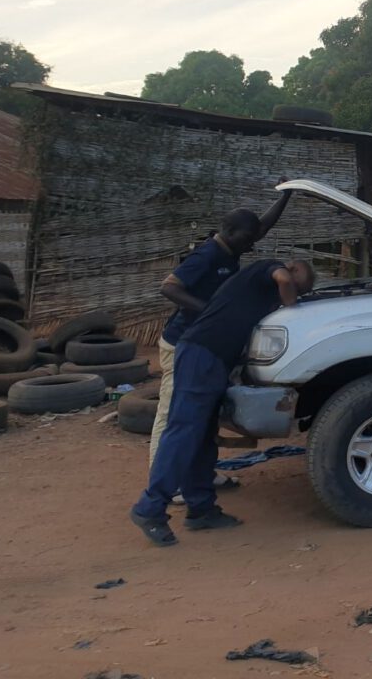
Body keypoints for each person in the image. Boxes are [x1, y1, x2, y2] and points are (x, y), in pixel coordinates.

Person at [131, 258, 315, 546]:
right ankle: (150, 508)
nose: (293, 291)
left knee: (203, 435)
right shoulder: (268, 268)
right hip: (201, 354)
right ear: (290, 267)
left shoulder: (262, 293)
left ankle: (201, 507)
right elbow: (284, 280)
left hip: (213, 360)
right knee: (183, 432)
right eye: (297, 282)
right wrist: (294, 309)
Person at [150, 189, 291, 484]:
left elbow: (260, 226)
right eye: (248, 239)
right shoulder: (207, 254)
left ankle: (199, 475)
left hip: (203, 345)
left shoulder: (233, 247)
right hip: (181, 343)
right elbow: (169, 287)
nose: (252, 246)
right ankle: (164, 480)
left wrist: (285, 196)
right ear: (229, 231)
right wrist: (212, 311)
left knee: (202, 413)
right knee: (173, 415)